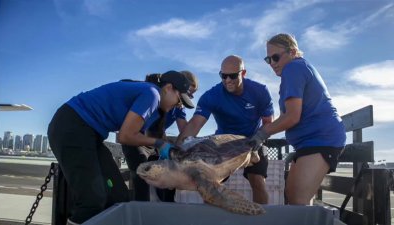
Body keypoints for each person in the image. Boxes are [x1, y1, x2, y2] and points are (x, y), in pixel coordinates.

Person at [47, 70, 194, 224]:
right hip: (72, 126)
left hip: (92, 134)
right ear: (168, 88)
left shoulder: (150, 97)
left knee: (117, 195)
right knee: (91, 201)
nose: (178, 105)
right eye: (179, 99)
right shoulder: (152, 94)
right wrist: (159, 143)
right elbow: (125, 136)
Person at [250, 33, 346, 205]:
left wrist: (261, 134)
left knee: (297, 200)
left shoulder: (293, 68)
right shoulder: (297, 69)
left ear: (293, 52)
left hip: (321, 139)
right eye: (268, 59)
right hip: (308, 143)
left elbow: (292, 116)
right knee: (291, 196)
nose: (272, 63)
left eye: (276, 57)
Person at [176, 55, 274, 204]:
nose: (227, 80)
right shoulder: (211, 96)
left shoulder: (260, 91)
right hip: (223, 144)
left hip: (253, 141)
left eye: (233, 76)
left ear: (243, 73)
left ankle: (262, 220)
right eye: (223, 76)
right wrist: (177, 148)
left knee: (258, 181)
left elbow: (268, 123)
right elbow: (195, 124)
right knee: (209, 183)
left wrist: (258, 139)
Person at [122, 70, 198, 202]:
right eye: (187, 94)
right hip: (137, 136)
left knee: (169, 169)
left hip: (156, 140)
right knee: (141, 168)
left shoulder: (179, 107)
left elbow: (185, 131)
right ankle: (140, 211)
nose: (187, 99)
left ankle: (167, 207)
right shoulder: (153, 95)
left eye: (191, 96)